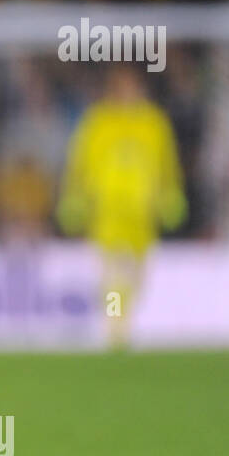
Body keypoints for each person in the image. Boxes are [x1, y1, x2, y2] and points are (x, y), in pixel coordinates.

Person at [56, 67, 186, 347]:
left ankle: (120, 323)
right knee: (114, 274)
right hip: (108, 212)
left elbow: (167, 165)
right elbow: (79, 164)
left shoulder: (153, 122)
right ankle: (116, 331)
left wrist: (170, 196)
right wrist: (74, 198)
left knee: (137, 278)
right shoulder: (98, 122)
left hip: (143, 214)